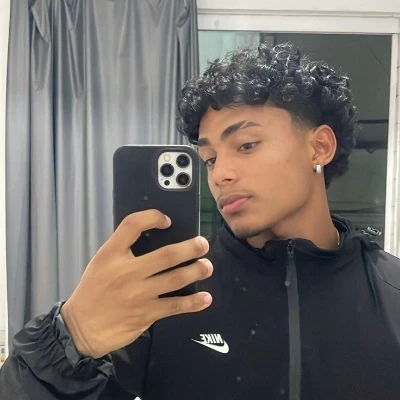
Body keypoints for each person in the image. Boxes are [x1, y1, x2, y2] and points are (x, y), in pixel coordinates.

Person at [1, 42, 400, 400]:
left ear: (320, 146)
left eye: (246, 145)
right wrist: (72, 335)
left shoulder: (392, 294)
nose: (220, 174)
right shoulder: (169, 291)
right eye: (209, 159)